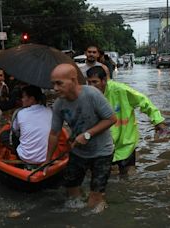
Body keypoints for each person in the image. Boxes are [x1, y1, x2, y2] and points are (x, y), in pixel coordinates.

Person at [46, 63, 117, 211]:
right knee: (72, 196)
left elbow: (111, 119)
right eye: (53, 84)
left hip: (102, 152)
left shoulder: (92, 94)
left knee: (94, 201)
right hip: (78, 151)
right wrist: (48, 160)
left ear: (73, 80)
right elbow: (54, 133)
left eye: (59, 83)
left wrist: (87, 134)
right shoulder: (59, 104)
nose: (55, 88)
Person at [86, 66, 167, 175]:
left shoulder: (120, 90)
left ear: (104, 81)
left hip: (125, 141)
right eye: (89, 83)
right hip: (103, 144)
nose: (91, 86)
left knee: (128, 175)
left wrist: (158, 121)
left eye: (95, 82)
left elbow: (144, 101)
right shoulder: (87, 95)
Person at [11, 85, 51, 164]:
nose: (22, 99)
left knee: (5, 135)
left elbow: (14, 129)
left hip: (25, 157)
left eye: (23, 97)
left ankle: (15, 154)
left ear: (32, 99)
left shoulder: (20, 113)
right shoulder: (50, 111)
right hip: (45, 157)